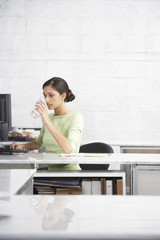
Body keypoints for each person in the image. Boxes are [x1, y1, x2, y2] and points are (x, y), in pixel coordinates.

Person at [11, 77, 83, 170]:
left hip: (70, 174)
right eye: (45, 96)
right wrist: (22, 146)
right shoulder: (49, 117)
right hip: (50, 173)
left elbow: (68, 149)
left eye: (51, 95)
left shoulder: (75, 117)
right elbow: (38, 143)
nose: (47, 100)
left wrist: (47, 121)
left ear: (63, 96)